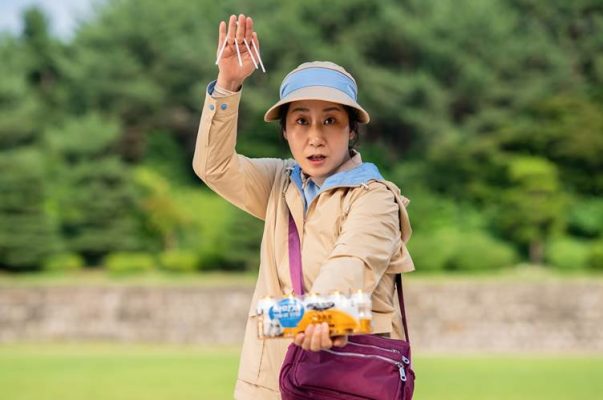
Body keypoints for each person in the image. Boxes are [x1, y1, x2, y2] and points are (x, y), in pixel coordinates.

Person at [193, 13, 415, 400]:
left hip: (346, 381)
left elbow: (353, 260)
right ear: (285, 131)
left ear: (351, 129)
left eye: (330, 120)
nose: (315, 137)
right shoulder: (278, 182)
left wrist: (321, 312)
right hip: (266, 381)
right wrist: (227, 85)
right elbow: (214, 167)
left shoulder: (376, 197)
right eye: (301, 121)